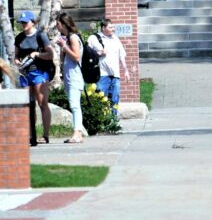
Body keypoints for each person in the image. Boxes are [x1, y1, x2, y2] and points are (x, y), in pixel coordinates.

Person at [14, 10, 55, 145]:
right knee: (27, 104)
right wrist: (17, 61)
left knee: (42, 104)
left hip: (39, 72)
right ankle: (31, 134)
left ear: (33, 22)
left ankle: (45, 135)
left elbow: (50, 54)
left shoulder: (40, 35)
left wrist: (37, 54)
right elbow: (16, 56)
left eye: (26, 22)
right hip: (25, 74)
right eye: (22, 22)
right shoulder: (19, 37)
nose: (23, 24)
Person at [54, 12, 86, 144]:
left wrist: (64, 46)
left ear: (64, 24)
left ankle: (77, 133)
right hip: (68, 76)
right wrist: (62, 48)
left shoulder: (73, 37)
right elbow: (64, 59)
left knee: (74, 106)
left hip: (75, 77)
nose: (57, 26)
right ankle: (77, 133)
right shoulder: (67, 38)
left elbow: (77, 56)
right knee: (73, 104)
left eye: (58, 24)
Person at [88, 18, 129, 114]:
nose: (113, 29)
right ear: (103, 28)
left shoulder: (115, 38)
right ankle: (102, 121)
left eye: (113, 27)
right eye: (110, 27)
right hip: (102, 75)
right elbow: (87, 54)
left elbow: (121, 55)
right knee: (101, 99)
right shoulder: (94, 38)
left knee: (115, 100)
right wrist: (99, 53)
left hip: (115, 75)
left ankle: (114, 122)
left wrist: (126, 70)